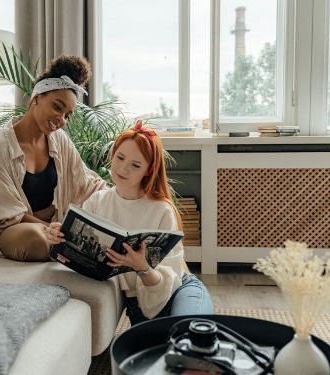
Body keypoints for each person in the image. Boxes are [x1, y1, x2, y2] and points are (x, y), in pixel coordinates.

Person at [45, 120, 213, 324]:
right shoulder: (98, 201)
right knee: (151, 354)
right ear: (112, 155)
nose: (123, 169)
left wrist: (142, 267)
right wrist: (58, 238)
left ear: (149, 170)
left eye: (135, 165)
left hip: (179, 291)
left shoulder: (161, 209)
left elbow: (171, 274)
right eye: (120, 158)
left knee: (190, 334)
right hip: (140, 306)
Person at [0, 55, 107, 261]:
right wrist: (49, 229)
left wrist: (125, 195)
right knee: (37, 240)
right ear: (37, 97)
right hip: (16, 229)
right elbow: (7, 211)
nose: (62, 119)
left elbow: (85, 182)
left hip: (54, 227)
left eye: (68, 115)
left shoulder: (60, 141)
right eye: (57, 107)